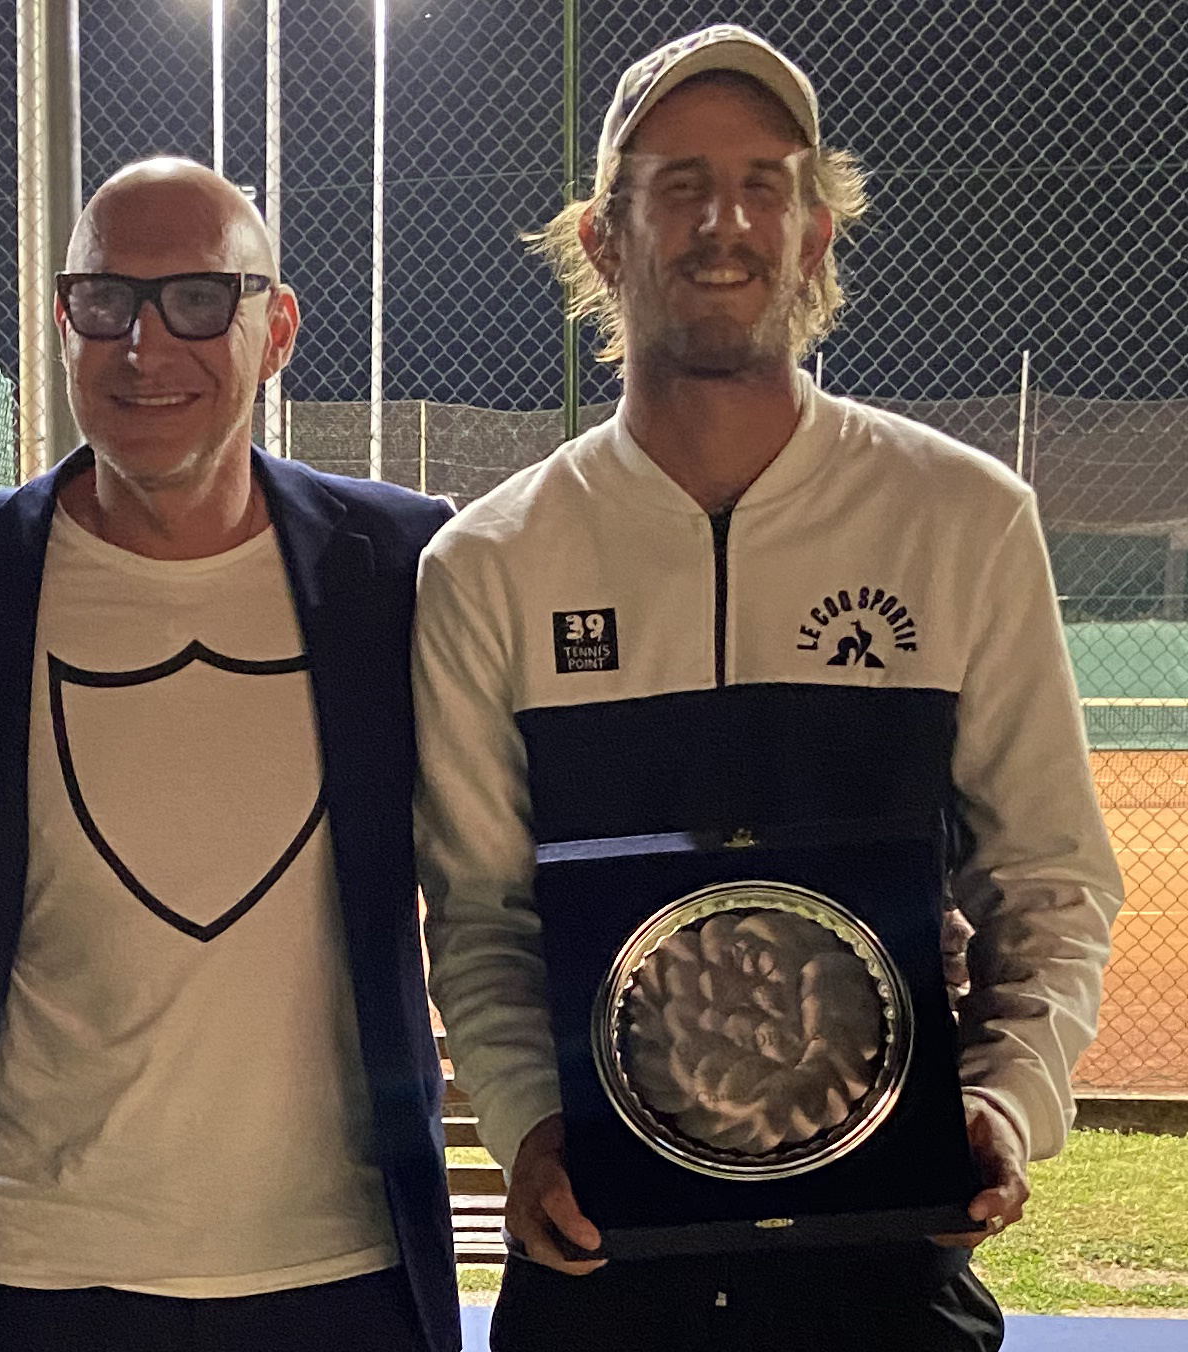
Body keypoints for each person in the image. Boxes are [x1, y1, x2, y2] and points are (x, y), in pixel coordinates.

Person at [413, 25, 1121, 1352]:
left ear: (814, 235)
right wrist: (532, 1127)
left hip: (886, 1276)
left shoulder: (963, 518)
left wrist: (1003, 1103)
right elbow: (483, 916)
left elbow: (1050, 879)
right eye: (677, 185)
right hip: (603, 1278)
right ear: (604, 239)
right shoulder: (491, 561)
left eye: (763, 185)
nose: (722, 222)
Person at [0, 157, 461, 1352]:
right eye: (105, 300)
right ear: (62, 322)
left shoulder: (398, 563)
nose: (144, 345)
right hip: (41, 1266)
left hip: (344, 1264)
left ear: (276, 329)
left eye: (197, 298)